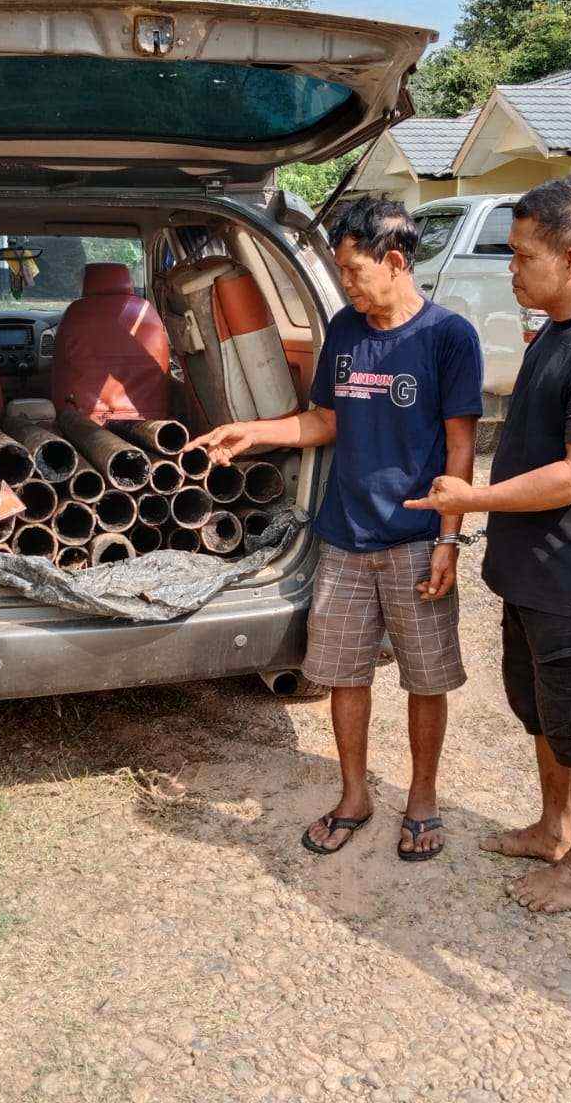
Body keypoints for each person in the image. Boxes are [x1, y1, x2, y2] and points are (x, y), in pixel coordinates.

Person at [189, 196, 482, 861]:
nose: (346, 284)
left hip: (415, 538)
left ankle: (424, 800)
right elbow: (326, 420)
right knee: (345, 675)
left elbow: (460, 450)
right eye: (342, 272)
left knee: (426, 678)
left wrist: (448, 540)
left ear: (396, 261)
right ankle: (354, 796)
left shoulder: (447, 337)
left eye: (353, 270)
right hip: (344, 538)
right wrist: (256, 433)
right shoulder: (346, 331)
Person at [408, 174, 571, 914]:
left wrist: (473, 498)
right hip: (533, 578)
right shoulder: (559, 327)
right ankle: (552, 829)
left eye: (521, 256)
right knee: (541, 714)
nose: (510, 269)